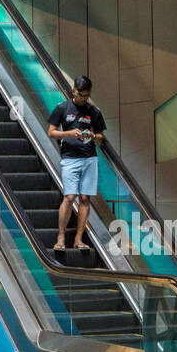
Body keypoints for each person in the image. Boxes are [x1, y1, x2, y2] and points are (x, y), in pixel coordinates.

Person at [47, 75, 106, 250]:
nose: (83, 98)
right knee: (69, 197)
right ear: (74, 91)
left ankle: (79, 239)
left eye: (86, 95)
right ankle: (61, 237)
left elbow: (102, 137)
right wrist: (70, 133)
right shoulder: (62, 108)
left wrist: (93, 136)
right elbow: (51, 132)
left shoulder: (94, 112)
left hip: (89, 158)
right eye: (80, 94)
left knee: (85, 198)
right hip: (70, 158)